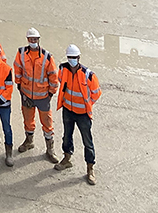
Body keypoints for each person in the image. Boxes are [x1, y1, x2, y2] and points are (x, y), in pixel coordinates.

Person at [54, 44, 101, 185]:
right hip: (68, 110)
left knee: (87, 141)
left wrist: (88, 104)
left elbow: (96, 93)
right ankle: (67, 158)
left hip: (83, 114)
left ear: (79, 58)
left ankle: (90, 169)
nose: (72, 60)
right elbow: (62, 83)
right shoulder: (63, 69)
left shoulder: (88, 75)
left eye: (74, 57)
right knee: (66, 136)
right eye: (70, 57)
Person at [13, 27, 59, 163]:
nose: (33, 41)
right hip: (27, 95)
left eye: (35, 39)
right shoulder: (21, 53)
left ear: (38, 40)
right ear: (28, 39)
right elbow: (17, 69)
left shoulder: (47, 56)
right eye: (31, 39)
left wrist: (51, 92)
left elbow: (53, 76)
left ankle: (50, 149)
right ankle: (29, 141)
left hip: (43, 96)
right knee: (28, 120)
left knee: (47, 123)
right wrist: (20, 86)